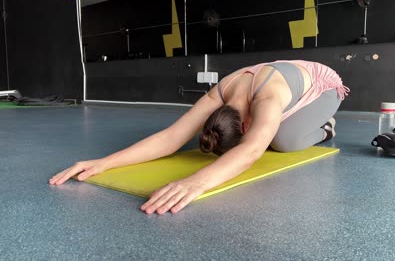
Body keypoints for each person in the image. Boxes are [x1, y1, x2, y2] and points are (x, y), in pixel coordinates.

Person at [49, 60, 349, 215]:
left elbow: (252, 151)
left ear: (244, 126)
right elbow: (171, 137)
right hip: (281, 87)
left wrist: (196, 182)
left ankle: (325, 127)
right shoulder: (218, 93)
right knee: (273, 132)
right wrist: (103, 163)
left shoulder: (268, 99)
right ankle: (279, 126)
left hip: (323, 88)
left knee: (284, 142)